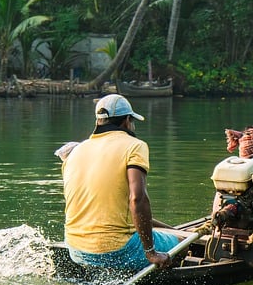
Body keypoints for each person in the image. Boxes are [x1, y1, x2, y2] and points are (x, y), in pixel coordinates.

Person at [61, 94, 180, 270]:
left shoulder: (76, 151)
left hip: (76, 249)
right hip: (117, 251)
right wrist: (150, 252)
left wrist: (166, 227)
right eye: (132, 121)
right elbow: (137, 199)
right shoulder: (134, 145)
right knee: (181, 244)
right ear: (126, 121)